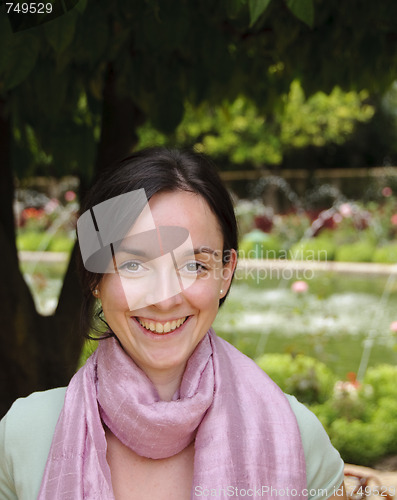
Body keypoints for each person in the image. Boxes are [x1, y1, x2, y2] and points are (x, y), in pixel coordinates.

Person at [0, 148, 346, 500]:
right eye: (134, 265)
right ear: (95, 279)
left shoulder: (297, 437)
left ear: (226, 273)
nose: (165, 300)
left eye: (194, 266)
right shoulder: (24, 438)